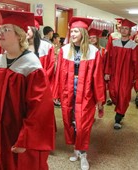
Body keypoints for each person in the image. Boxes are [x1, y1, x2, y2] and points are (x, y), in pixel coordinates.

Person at [0, 10, 55, 170]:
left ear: (20, 35)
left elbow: (39, 111)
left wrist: (26, 139)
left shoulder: (32, 67)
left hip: (19, 139)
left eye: (6, 30)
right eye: (0, 30)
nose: (0, 33)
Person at [53, 16, 105, 170]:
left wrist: (100, 98)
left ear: (83, 32)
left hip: (86, 91)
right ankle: (76, 149)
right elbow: (58, 74)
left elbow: (98, 76)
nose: (73, 33)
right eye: (72, 30)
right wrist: (56, 93)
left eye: (76, 31)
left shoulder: (94, 52)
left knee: (83, 124)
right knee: (70, 120)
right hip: (68, 90)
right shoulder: (64, 50)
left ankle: (83, 154)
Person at [104, 18, 138, 130]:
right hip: (114, 74)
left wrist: (134, 77)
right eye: (123, 28)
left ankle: (118, 118)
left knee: (124, 95)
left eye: (126, 29)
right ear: (120, 30)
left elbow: (137, 64)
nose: (124, 30)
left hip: (127, 75)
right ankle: (120, 108)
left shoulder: (133, 46)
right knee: (113, 93)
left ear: (130, 31)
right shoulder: (114, 43)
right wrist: (107, 72)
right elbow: (109, 59)